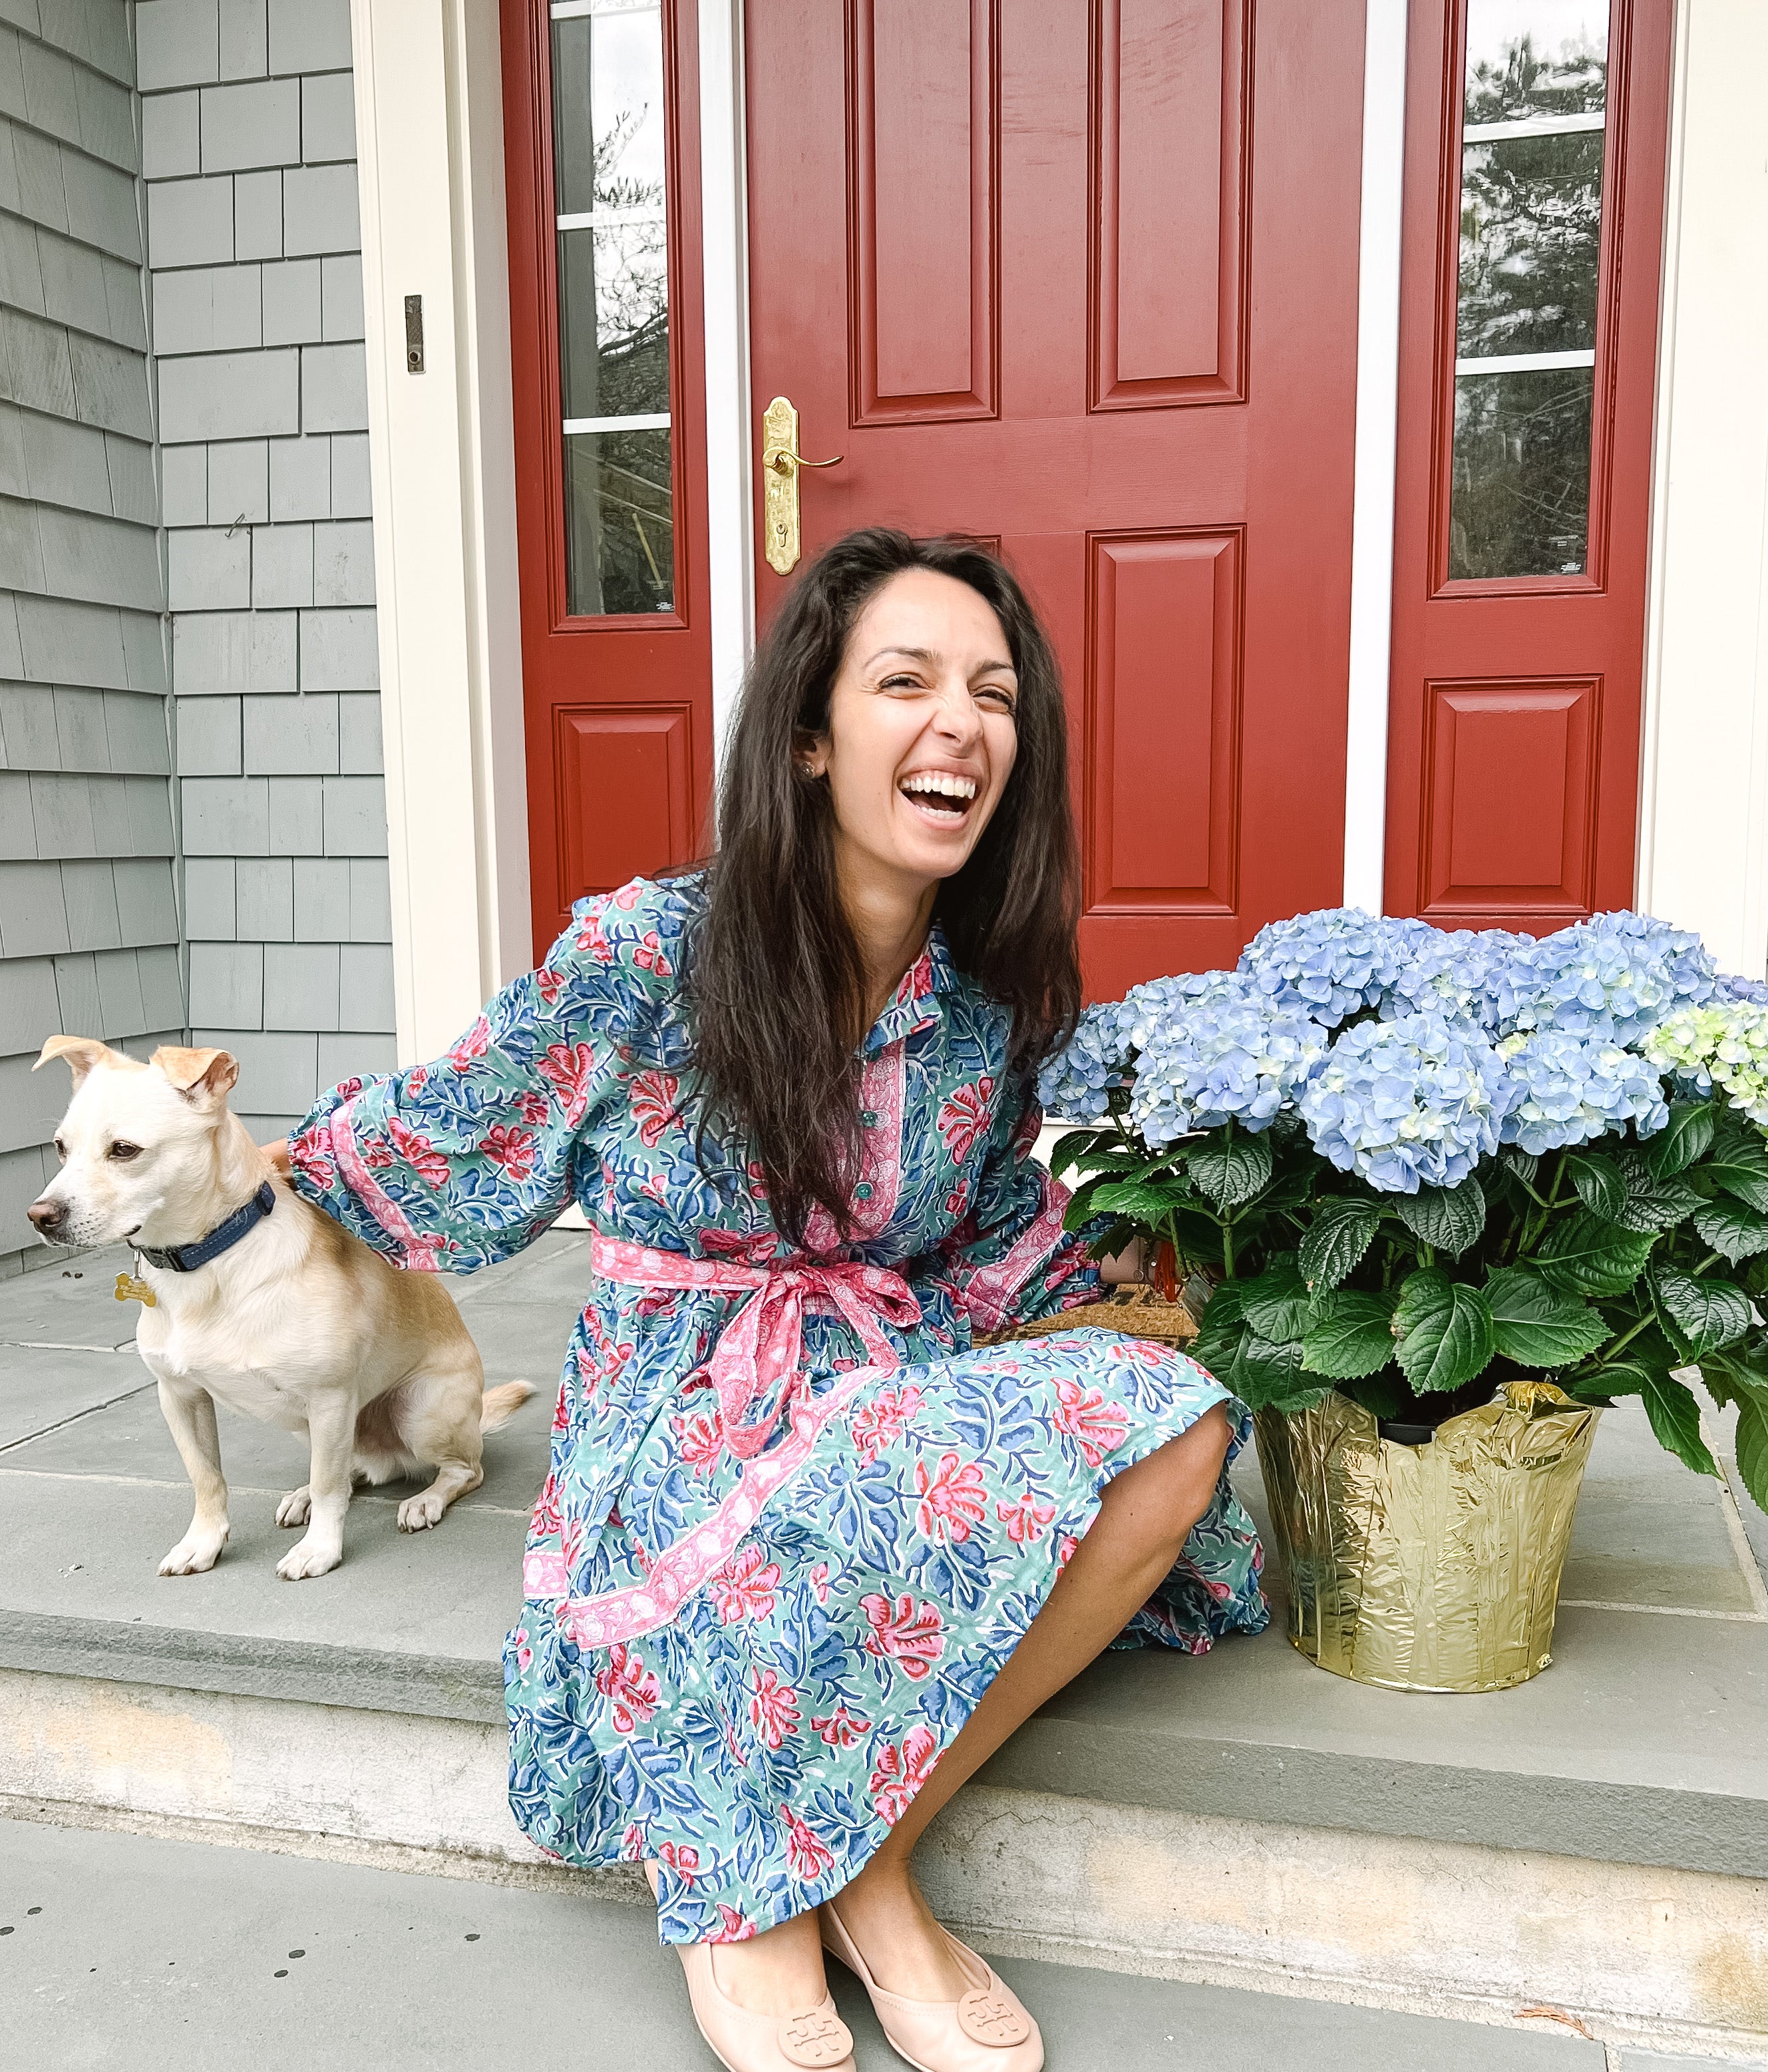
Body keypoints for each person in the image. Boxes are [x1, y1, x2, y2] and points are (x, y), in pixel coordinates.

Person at [273, 530, 1266, 2072]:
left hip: (883, 1363)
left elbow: (994, 1228)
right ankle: (789, 1893)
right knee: (820, 1485)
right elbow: (458, 1133)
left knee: (1182, 1431)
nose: (964, 724)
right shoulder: (648, 951)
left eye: (996, 695)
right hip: (689, 1399)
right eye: (908, 681)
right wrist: (245, 1178)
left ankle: (855, 1856)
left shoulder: (986, 991)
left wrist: (1147, 1276)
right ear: (810, 736)